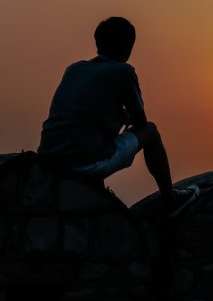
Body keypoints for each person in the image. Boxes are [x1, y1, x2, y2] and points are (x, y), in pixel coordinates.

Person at [38, 17, 173, 201]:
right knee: (151, 131)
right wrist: (125, 116)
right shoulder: (123, 71)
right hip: (83, 163)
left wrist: (117, 115)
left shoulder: (74, 69)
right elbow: (140, 121)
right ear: (128, 47)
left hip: (49, 158)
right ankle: (170, 197)